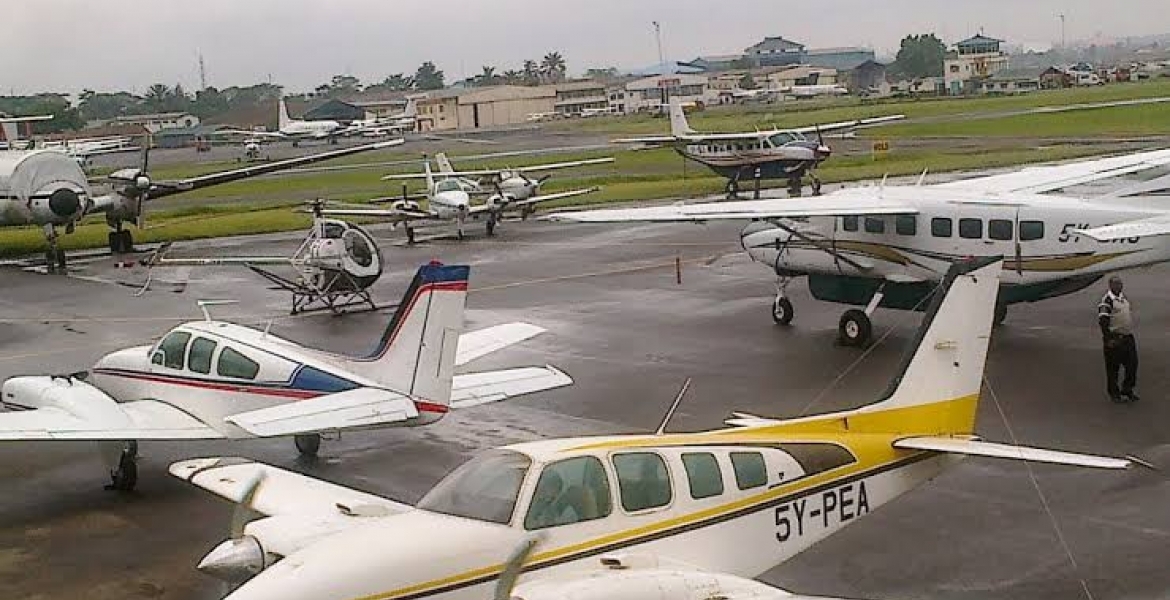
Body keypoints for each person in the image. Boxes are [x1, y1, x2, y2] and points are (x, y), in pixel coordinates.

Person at [1098, 275, 1139, 403]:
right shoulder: (1107, 301)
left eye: (1120, 284)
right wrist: (1108, 338)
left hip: (1127, 337)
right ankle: (1114, 394)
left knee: (1132, 365)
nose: (1119, 286)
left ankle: (1127, 389)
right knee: (1113, 369)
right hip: (1115, 338)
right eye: (1116, 284)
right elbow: (1103, 321)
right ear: (1110, 285)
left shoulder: (1123, 299)